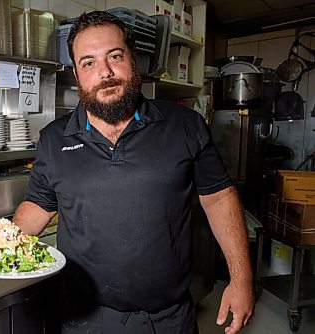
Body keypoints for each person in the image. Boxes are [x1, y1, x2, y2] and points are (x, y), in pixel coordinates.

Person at [13, 10, 254, 334]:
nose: (105, 72)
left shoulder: (184, 126)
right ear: (76, 73)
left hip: (168, 319)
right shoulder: (54, 139)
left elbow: (220, 198)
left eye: (115, 56)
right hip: (81, 318)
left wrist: (242, 279)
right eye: (89, 62)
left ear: (133, 58)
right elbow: (39, 206)